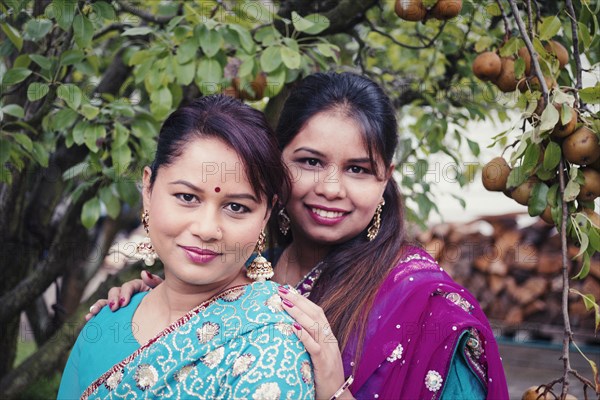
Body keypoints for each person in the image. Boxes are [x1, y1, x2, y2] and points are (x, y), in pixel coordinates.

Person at [88, 72, 509, 399]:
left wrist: (335, 390)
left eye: (358, 169)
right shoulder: (249, 272)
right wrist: (161, 306)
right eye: (309, 161)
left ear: (386, 180)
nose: (330, 188)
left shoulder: (427, 310)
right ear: (276, 164)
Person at [58, 95, 315, 399]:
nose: (206, 229)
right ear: (148, 189)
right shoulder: (106, 323)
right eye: (187, 197)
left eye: (236, 206)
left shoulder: (271, 344)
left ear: (266, 214)